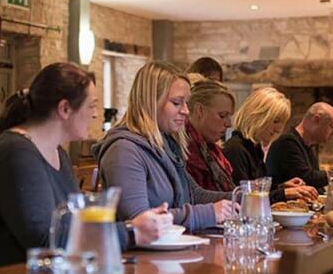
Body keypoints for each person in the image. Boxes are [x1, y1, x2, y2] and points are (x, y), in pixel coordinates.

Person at [0, 62, 172, 268]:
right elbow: (47, 239)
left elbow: (71, 222)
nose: (96, 114)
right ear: (65, 108)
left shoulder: (58, 152)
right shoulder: (16, 153)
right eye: (92, 106)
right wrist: (131, 232)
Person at [92, 61, 235, 232]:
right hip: (142, 257)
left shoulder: (166, 143)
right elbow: (140, 222)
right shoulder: (123, 150)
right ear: (151, 101)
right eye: (177, 103)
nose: (186, 111)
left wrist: (241, 198)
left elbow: (194, 194)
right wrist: (208, 213)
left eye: (186, 103)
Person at [222, 87, 318, 203]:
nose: (278, 129)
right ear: (258, 116)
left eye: (282, 123)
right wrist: (283, 193)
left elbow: (257, 189)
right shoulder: (236, 149)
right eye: (276, 121)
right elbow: (244, 199)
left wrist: (282, 187)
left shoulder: (254, 148)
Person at [266, 102, 333, 193]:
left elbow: (315, 183)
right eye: (331, 126)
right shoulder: (287, 142)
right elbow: (306, 178)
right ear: (316, 120)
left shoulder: (308, 145)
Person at [185, 75, 237, 192]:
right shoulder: (184, 150)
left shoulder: (211, 150)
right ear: (200, 110)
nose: (229, 124)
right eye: (222, 116)